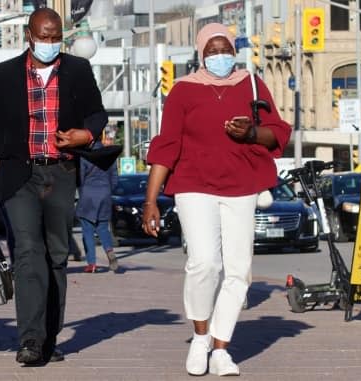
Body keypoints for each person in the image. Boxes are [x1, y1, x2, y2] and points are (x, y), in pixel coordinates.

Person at [0, 7, 107, 366]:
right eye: (44, 36)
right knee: (27, 252)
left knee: (56, 256)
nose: (50, 43)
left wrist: (85, 134)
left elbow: (97, 114)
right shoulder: (5, 75)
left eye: (56, 36)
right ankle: (29, 339)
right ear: (29, 34)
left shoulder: (78, 70)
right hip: (19, 176)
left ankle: (49, 337)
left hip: (60, 173)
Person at [141, 23, 291, 377]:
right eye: (212, 51)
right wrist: (151, 200)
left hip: (242, 186)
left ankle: (221, 348)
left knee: (238, 270)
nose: (220, 56)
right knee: (204, 262)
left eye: (225, 50)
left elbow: (278, 132)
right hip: (194, 184)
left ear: (235, 51)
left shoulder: (251, 84)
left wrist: (252, 132)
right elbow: (167, 146)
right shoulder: (183, 91)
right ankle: (200, 336)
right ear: (201, 53)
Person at [75, 142, 118, 273]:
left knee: (87, 230)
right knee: (103, 228)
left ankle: (92, 264)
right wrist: (108, 190)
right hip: (105, 194)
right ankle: (109, 250)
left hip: (88, 195)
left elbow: (80, 178)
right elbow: (115, 179)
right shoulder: (109, 156)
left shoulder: (85, 156)